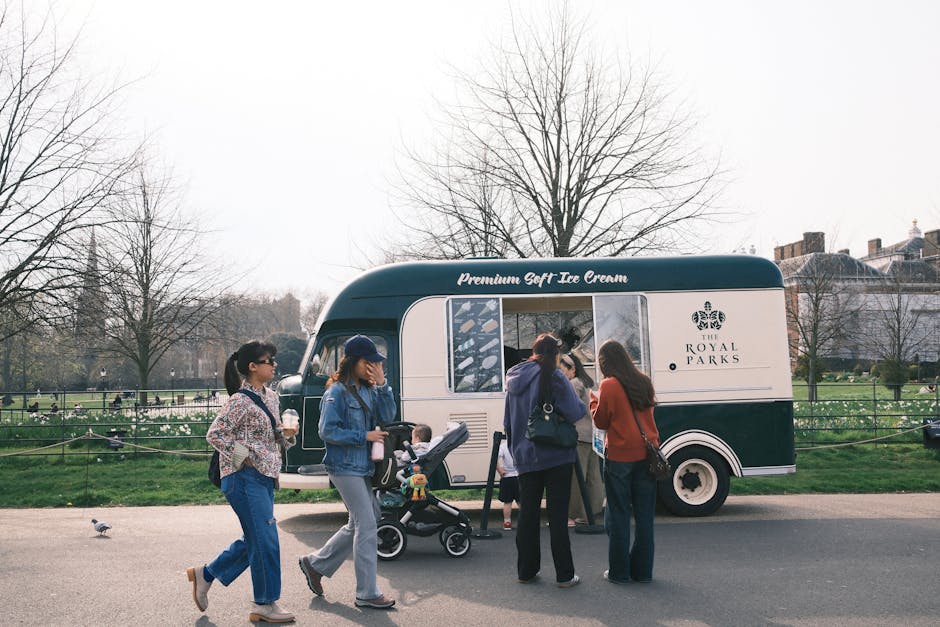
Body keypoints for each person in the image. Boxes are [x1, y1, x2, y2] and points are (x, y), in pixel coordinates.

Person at [187, 340, 297, 623]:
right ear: (252, 366)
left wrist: (286, 435)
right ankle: (264, 604)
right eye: (268, 360)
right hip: (243, 477)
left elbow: (271, 436)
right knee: (266, 539)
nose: (274, 365)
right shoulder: (240, 400)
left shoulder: (271, 397)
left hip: (266, 476)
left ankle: (206, 574)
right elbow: (215, 434)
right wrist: (243, 454)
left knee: (256, 539)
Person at [298, 335, 397, 609]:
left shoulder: (369, 389)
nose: (373, 367)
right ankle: (367, 592)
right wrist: (363, 435)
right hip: (342, 466)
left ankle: (314, 564)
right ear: (353, 361)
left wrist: (383, 385)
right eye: (368, 362)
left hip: (362, 466)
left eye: (376, 363)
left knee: (365, 519)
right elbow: (326, 431)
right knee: (367, 523)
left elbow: (388, 417)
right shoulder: (337, 392)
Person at [504, 333, 587, 588]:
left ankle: (526, 571)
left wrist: (517, 450)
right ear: (556, 355)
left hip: (526, 457)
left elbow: (508, 422)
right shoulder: (555, 375)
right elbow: (575, 412)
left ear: (533, 351)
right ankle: (564, 575)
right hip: (556, 456)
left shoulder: (514, 378)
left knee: (527, 515)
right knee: (557, 517)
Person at [590, 339, 659, 585]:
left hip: (620, 456)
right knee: (644, 518)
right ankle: (643, 572)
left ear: (604, 363)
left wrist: (593, 400)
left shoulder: (608, 385)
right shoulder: (644, 381)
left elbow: (601, 422)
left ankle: (619, 572)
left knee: (619, 515)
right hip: (647, 456)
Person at [562, 353, 603, 527]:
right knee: (593, 476)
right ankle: (590, 513)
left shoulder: (574, 384)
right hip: (594, 435)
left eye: (562, 370)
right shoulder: (591, 383)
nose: (561, 374)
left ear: (572, 369)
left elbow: (568, 409)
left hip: (578, 435)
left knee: (576, 478)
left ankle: (572, 515)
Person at [496, 438, 520, 529]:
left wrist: (500, 471)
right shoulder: (519, 443)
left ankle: (507, 522)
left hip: (507, 477)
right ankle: (524, 521)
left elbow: (496, 460)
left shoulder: (502, 446)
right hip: (519, 476)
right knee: (521, 501)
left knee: (507, 502)